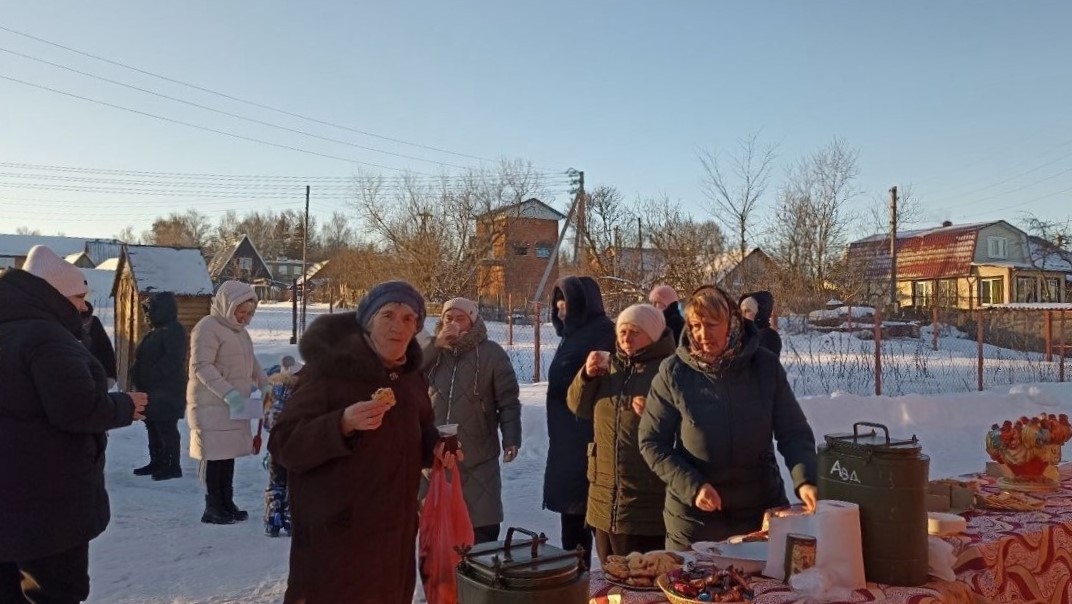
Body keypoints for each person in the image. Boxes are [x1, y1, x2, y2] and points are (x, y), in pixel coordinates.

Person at [268, 280, 456, 604]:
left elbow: (419, 429)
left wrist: (435, 448)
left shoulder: (411, 377)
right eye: (388, 315)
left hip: (393, 538)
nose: (398, 326)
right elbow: (284, 443)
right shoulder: (328, 372)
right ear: (368, 321)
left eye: (409, 319)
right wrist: (341, 424)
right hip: (336, 543)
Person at [0, 245, 146, 603]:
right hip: (46, 495)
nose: (84, 306)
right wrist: (124, 406)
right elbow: (76, 408)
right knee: (55, 591)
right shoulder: (47, 338)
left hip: (12, 491)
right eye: (79, 297)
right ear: (53, 295)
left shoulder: (10, 330)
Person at [639, 285, 817, 550]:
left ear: (731, 323)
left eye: (711, 324)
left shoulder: (764, 366)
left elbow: (793, 431)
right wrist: (693, 486)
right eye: (695, 325)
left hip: (759, 513)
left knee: (762, 590)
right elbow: (652, 442)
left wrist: (806, 480)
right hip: (694, 521)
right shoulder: (673, 372)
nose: (702, 334)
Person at [567, 303, 675, 564]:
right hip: (603, 498)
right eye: (622, 331)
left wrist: (656, 413)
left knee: (642, 583)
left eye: (635, 331)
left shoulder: (670, 371)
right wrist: (586, 377)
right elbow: (577, 407)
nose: (626, 337)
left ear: (653, 334)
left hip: (646, 502)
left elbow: (691, 426)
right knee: (611, 581)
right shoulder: (610, 367)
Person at [421, 297, 522, 544]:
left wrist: (511, 438)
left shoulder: (491, 354)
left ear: (472, 320)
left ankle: (476, 581)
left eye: (460, 318)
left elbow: (507, 400)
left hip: (478, 457)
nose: (454, 323)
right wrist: (436, 345)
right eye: (448, 318)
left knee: (479, 533)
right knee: (436, 536)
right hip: (432, 456)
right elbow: (408, 375)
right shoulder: (431, 351)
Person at [543, 275, 616, 569]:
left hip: (589, 441)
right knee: (573, 529)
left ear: (584, 303)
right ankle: (577, 588)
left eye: (567, 300)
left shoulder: (603, 333)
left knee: (597, 529)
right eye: (557, 301)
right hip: (566, 443)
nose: (561, 307)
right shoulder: (573, 337)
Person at [187, 280, 267, 525]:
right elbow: (202, 366)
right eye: (240, 312)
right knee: (215, 454)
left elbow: (251, 362)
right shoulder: (207, 327)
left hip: (233, 403)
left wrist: (266, 384)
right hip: (211, 402)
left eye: (248, 314)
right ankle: (213, 506)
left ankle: (226, 502)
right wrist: (229, 394)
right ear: (227, 305)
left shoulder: (239, 333)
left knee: (227, 453)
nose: (244, 318)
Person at [131, 291, 188, 481]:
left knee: (166, 427)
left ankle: (172, 465)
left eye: (151, 310)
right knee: (153, 425)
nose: (148, 315)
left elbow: (173, 359)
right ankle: (157, 462)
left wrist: (153, 374)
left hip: (167, 391)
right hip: (153, 390)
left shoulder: (174, 330)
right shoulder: (156, 331)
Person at [262, 360, 300, 537]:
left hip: (275, 446)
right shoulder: (301, 391)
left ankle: (272, 521)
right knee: (293, 484)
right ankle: (291, 519)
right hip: (295, 444)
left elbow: (267, 422)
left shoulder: (271, 392)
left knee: (275, 483)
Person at [80, 301, 118, 389]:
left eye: (87, 319)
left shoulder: (95, 324)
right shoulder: (66, 327)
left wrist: (111, 375)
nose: (85, 323)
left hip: (96, 375)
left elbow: (106, 350)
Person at [740, 290, 782, 358]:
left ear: (760, 312)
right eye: (741, 310)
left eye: (747, 310)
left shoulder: (767, 335)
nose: (743, 314)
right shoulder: (746, 331)